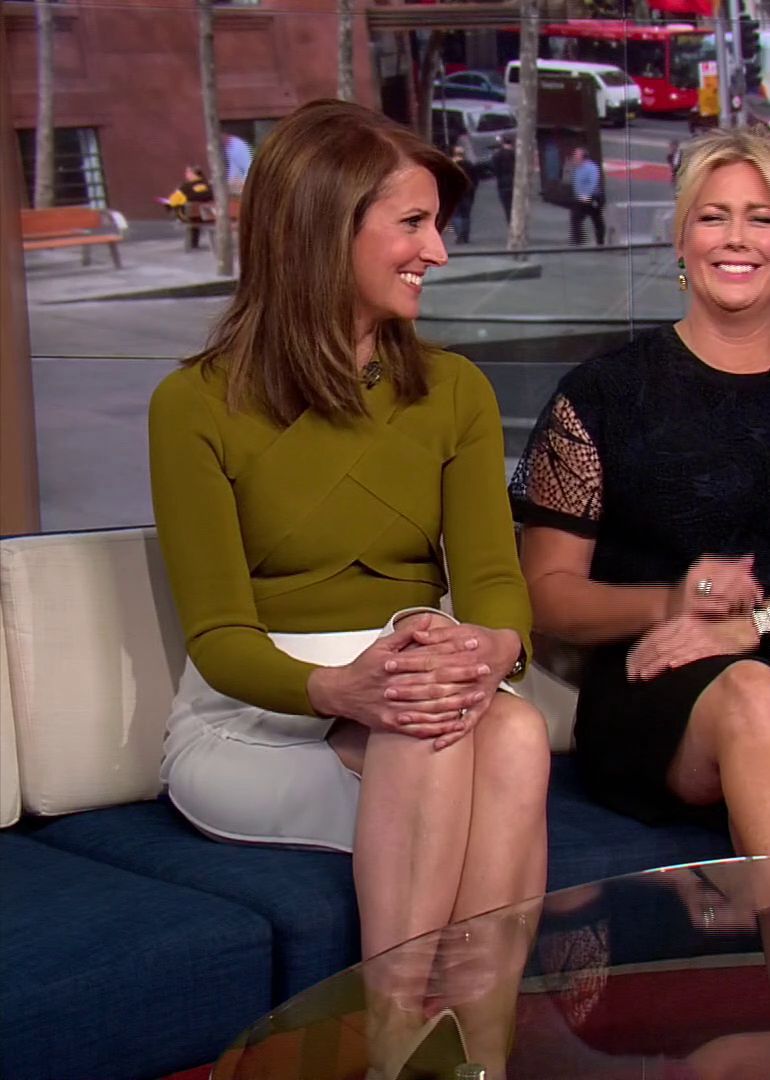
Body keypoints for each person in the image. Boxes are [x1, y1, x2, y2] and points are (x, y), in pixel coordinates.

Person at [512, 128, 770, 1079]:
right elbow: (548, 596)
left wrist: (751, 626)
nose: (737, 238)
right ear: (680, 237)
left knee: (764, 694)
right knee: (747, 694)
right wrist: (675, 600)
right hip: (659, 688)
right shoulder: (604, 394)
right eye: (713, 217)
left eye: (761, 218)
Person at [147, 99, 548, 1078]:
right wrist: (345, 689)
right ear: (327, 230)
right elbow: (218, 638)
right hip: (255, 722)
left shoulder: (454, 391)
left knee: (510, 729)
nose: (437, 252)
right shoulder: (194, 405)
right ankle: (402, 1042)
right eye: (413, 224)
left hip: (404, 702)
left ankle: (475, 1055)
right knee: (432, 720)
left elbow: (492, 580)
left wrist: (489, 647)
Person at [160, 164, 214, 251]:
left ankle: (192, 243)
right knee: (195, 214)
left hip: (189, 216)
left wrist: (167, 204)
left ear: (193, 173)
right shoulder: (208, 185)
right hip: (208, 216)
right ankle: (194, 243)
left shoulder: (186, 187)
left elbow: (173, 201)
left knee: (185, 212)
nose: (185, 174)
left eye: (187, 172)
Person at [567, 146, 605, 246]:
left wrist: (586, 196)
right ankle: (577, 240)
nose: (574, 157)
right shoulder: (578, 168)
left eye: (576, 155)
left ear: (583, 157)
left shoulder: (591, 168)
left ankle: (600, 241)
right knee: (575, 217)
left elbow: (593, 183)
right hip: (581, 197)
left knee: (596, 219)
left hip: (593, 197)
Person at [448, 133, 478, 244]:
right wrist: (473, 189)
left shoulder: (448, 165)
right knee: (466, 215)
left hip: (453, 193)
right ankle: (465, 235)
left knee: (456, 215)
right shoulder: (469, 165)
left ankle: (458, 234)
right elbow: (475, 179)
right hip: (467, 192)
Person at [490, 132, 516, 225]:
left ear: (502, 142)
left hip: (503, 183)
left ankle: (511, 223)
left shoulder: (497, 155)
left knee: (507, 206)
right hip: (515, 182)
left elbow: (494, 169)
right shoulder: (515, 154)